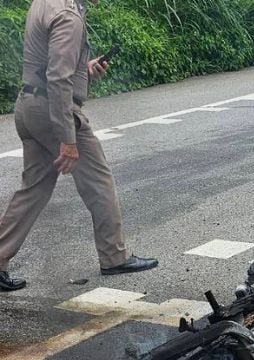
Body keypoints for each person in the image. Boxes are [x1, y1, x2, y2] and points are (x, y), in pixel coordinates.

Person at [0, 0, 157, 292]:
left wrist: (84, 69)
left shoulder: (44, 2)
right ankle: (114, 256)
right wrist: (68, 140)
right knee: (99, 181)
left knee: (33, 189)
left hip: (29, 105)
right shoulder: (68, 16)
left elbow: (49, 63)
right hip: (53, 110)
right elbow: (58, 79)